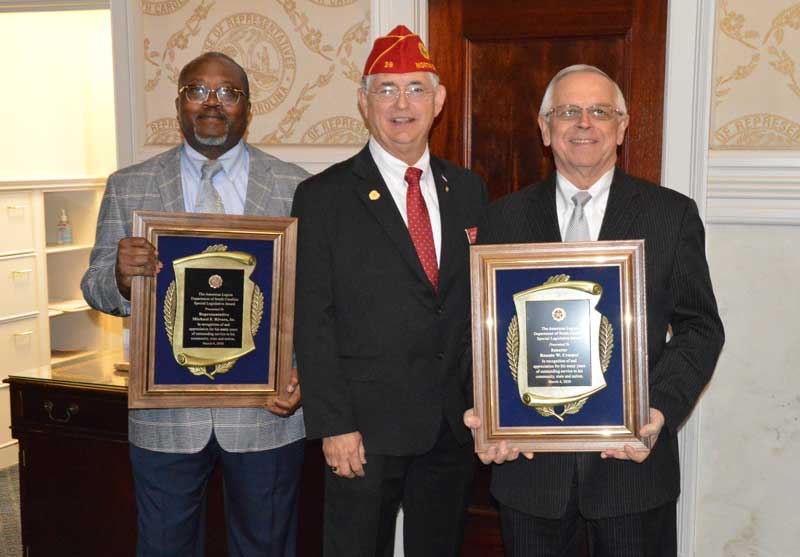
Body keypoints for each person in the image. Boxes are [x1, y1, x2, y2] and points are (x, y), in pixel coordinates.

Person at [464, 64, 725, 556]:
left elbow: (700, 329)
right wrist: (487, 415)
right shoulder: (501, 219)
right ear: (545, 128)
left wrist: (658, 409)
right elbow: (478, 332)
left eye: (600, 111)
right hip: (529, 473)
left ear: (622, 127)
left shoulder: (671, 215)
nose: (584, 123)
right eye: (568, 111)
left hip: (632, 474)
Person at [81, 52, 309, 557]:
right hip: (165, 417)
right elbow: (94, 286)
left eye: (228, 92)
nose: (213, 102)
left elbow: (321, 300)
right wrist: (120, 276)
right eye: (198, 90)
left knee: (267, 548)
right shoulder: (129, 185)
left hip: (266, 416)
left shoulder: (296, 186)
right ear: (178, 102)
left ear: (247, 108)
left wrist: (304, 377)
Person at [292, 25, 488, 557]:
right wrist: (334, 425)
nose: (402, 103)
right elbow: (312, 319)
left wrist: (490, 409)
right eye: (386, 89)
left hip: (452, 427)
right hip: (364, 432)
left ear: (439, 100)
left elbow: (480, 306)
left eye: (416, 88)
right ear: (363, 102)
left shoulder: (468, 189)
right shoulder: (322, 197)